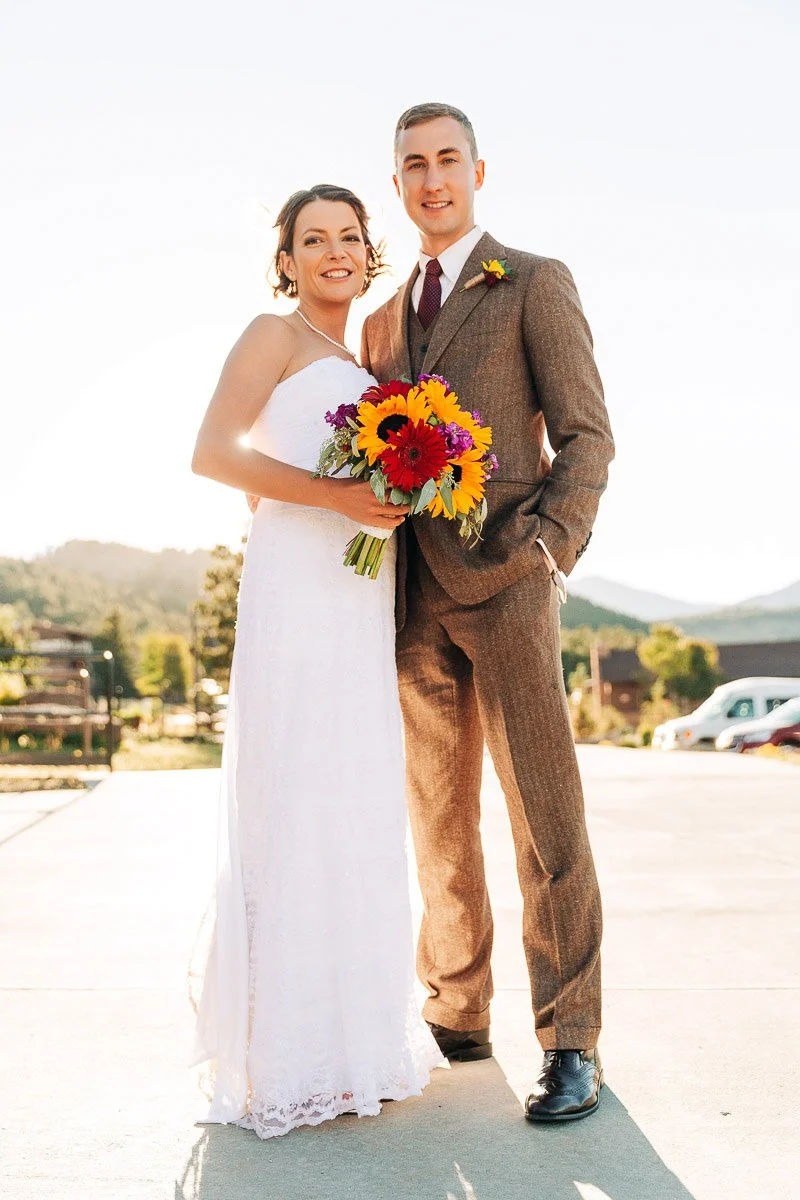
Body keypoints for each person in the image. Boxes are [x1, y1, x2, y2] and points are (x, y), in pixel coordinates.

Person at [361, 103, 615, 1122]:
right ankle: (456, 1011)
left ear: (476, 170)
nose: (431, 179)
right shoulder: (382, 318)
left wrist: (546, 547)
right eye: (412, 165)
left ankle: (571, 1041)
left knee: (542, 812)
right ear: (396, 183)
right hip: (409, 593)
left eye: (446, 161)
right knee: (438, 819)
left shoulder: (531, 282)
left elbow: (588, 437)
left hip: (507, 586)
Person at [189, 184, 444, 1139]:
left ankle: (352, 1047)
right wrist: (332, 500)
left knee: (351, 799)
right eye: (313, 238)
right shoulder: (274, 335)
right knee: (293, 796)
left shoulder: (366, 356)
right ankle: (285, 1057)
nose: (334, 250)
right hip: (297, 590)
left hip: (357, 599)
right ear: (286, 257)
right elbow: (213, 453)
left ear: (368, 251)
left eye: (349, 235)